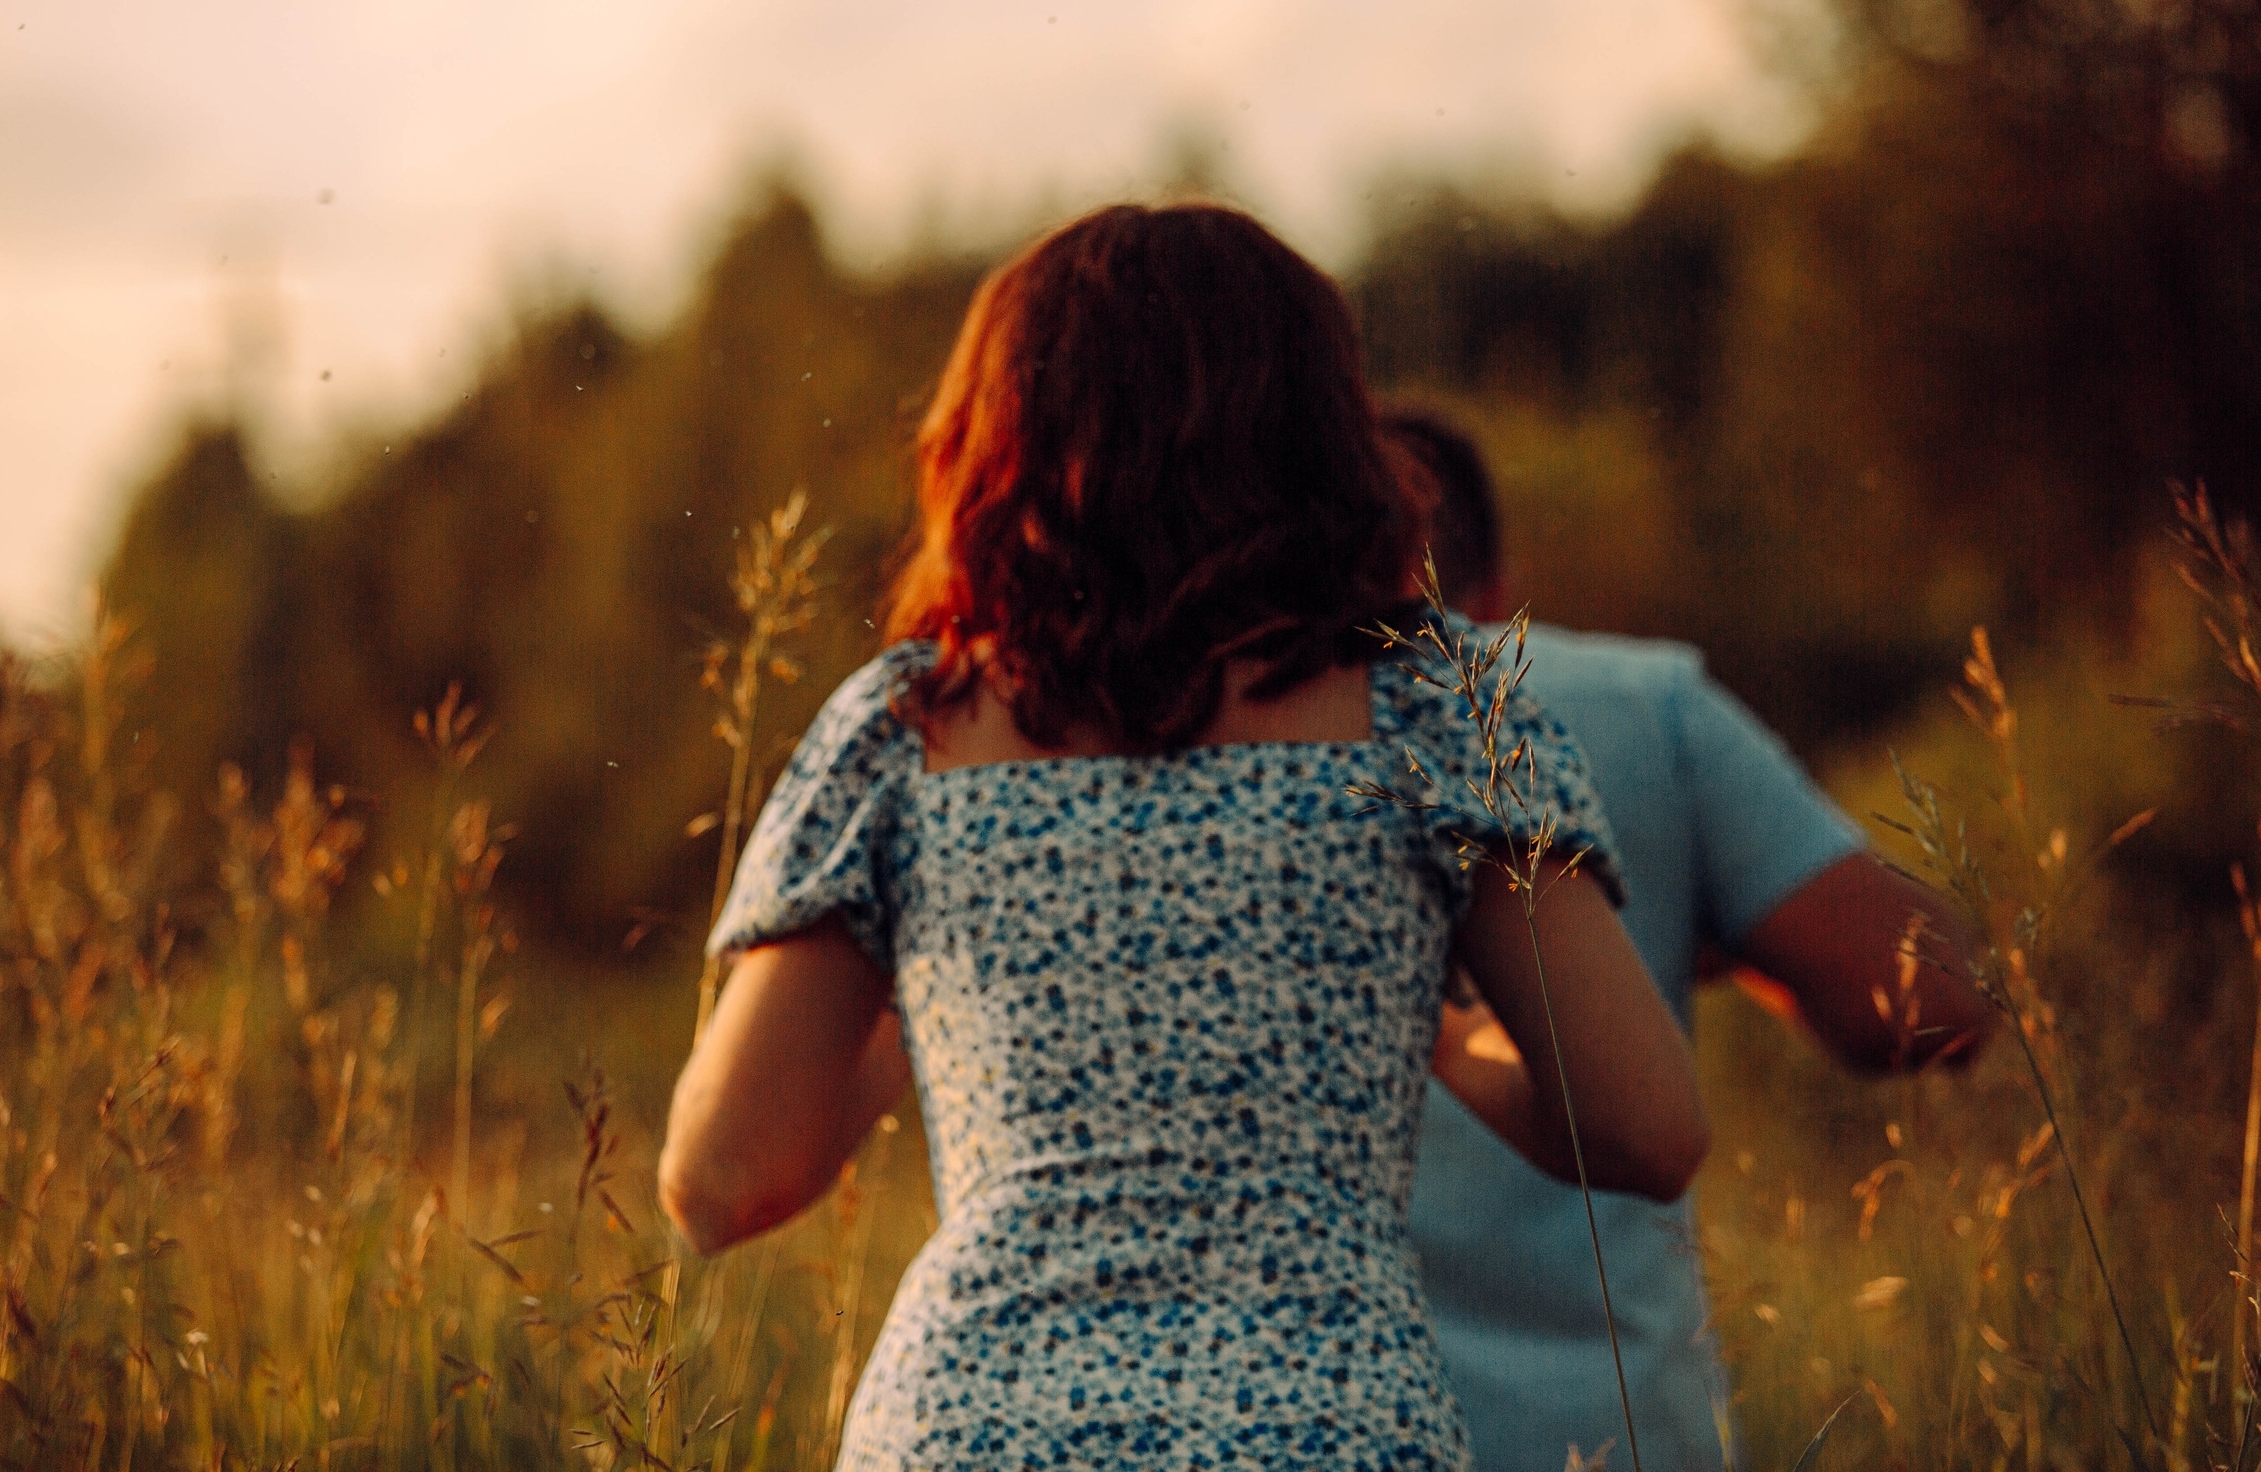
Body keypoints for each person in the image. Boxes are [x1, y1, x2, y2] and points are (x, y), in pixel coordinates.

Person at [658, 205, 1710, 1472]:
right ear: (1323, 431)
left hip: (980, 1430)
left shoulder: (907, 728)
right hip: (1332, 1429)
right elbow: (1648, 1131)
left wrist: (936, 1009)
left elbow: (722, 1181)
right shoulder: (1433, 706)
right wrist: (1417, 1039)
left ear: (994, 442)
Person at [1378, 406, 1994, 1472]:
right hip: (1615, 1434)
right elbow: (1937, 1002)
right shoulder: (1637, 705)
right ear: (1491, 593)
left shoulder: (1175, 733)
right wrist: (1681, 937)